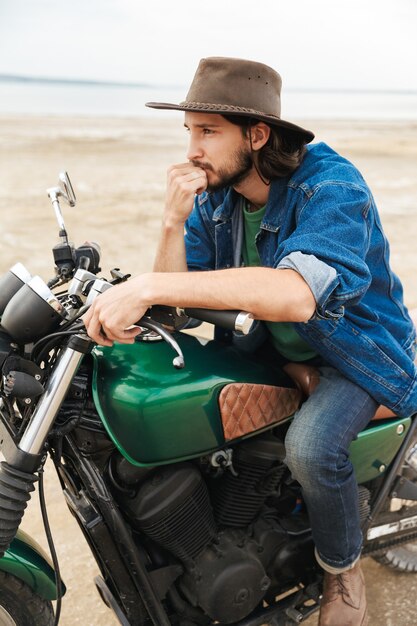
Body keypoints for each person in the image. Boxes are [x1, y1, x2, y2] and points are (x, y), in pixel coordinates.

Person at [83, 57, 417, 625]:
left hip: (354, 353)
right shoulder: (218, 196)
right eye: (189, 131)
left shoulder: (331, 187)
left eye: (208, 131)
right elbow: (177, 305)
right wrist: (171, 221)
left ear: (257, 135)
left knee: (311, 449)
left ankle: (341, 569)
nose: (192, 149)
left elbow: (296, 296)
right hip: (268, 347)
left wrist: (149, 284)